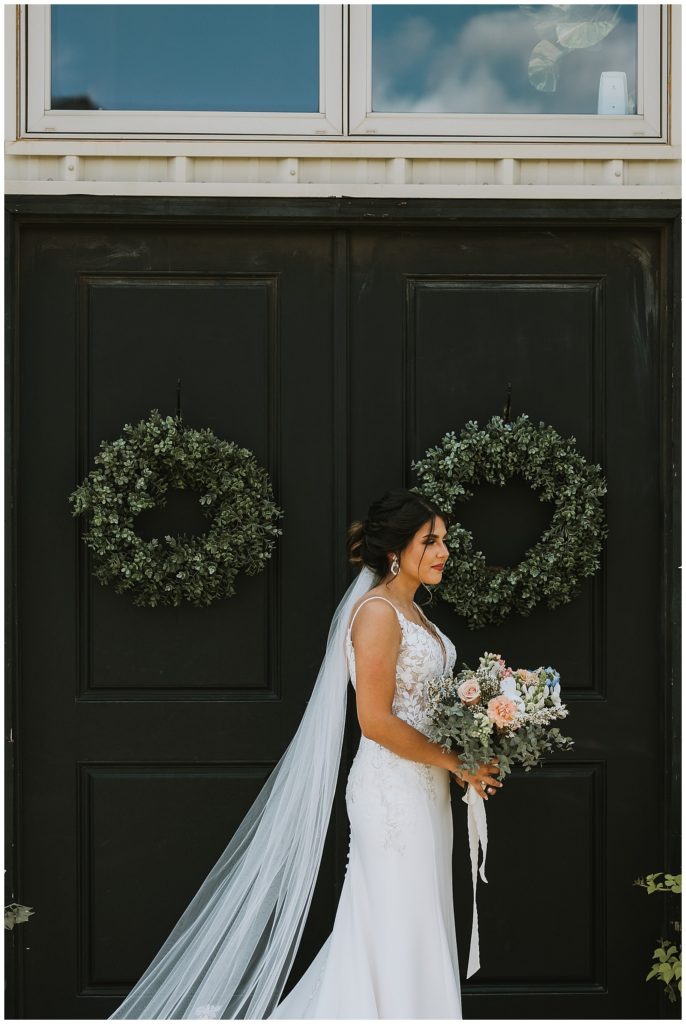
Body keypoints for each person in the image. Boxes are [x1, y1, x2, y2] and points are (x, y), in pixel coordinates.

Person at [107, 488, 502, 1020]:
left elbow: (424, 711)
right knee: (397, 920)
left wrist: (467, 751)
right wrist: (455, 761)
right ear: (395, 549)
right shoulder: (379, 613)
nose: (443, 552)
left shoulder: (416, 613)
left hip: (424, 790)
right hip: (391, 795)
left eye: (444, 541)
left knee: (416, 918)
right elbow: (376, 720)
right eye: (430, 541)